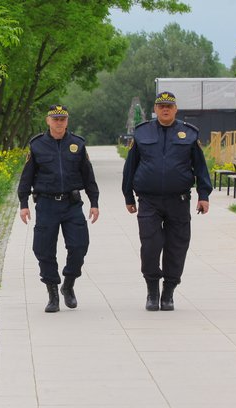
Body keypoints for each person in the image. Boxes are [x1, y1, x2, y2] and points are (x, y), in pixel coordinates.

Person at [121, 91, 213, 311]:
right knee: (151, 245)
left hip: (178, 201)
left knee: (177, 247)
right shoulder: (142, 133)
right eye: (161, 106)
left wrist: (204, 195)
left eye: (169, 106)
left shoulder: (189, 134)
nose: (165, 109)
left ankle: (168, 292)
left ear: (175, 109)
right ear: (155, 108)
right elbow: (130, 167)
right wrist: (128, 196)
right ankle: (152, 291)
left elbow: (200, 167)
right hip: (149, 201)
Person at [18, 104, 100, 313]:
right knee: (43, 250)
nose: (59, 122)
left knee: (79, 246)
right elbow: (26, 177)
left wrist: (94, 203)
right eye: (55, 119)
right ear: (48, 121)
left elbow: (88, 176)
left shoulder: (77, 144)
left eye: (62, 119)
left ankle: (69, 284)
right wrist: (24, 204)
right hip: (46, 204)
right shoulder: (37, 145)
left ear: (67, 121)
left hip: (72, 204)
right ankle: (52, 292)